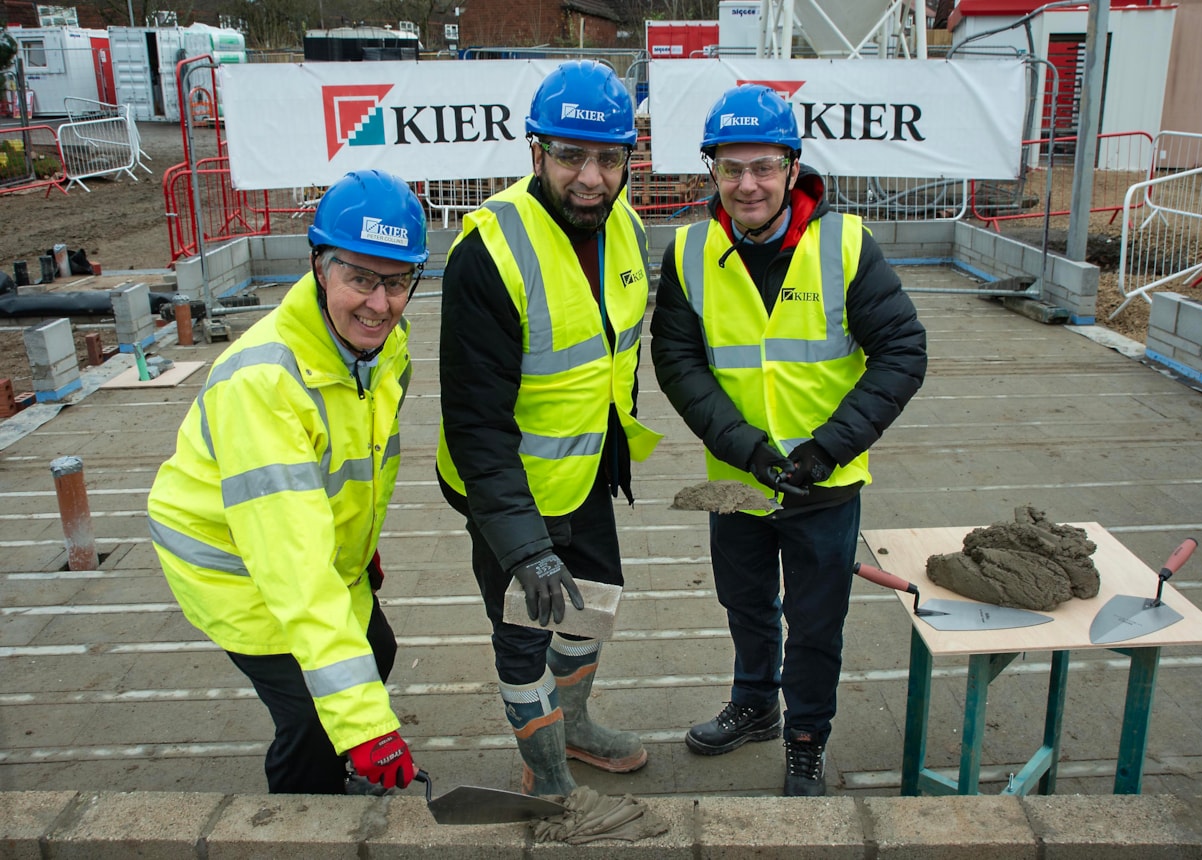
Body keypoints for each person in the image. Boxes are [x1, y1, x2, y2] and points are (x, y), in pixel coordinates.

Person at [649, 84, 927, 796]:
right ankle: (755, 705)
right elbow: (678, 362)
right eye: (731, 168)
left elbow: (902, 351)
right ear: (710, 169)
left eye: (764, 167)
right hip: (738, 478)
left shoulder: (846, 246)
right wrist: (744, 446)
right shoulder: (687, 252)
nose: (748, 185)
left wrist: (828, 447)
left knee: (813, 623)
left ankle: (806, 736)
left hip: (823, 484)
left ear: (793, 167)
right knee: (744, 603)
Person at [147, 170, 429, 795]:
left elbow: (352, 455)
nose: (379, 304)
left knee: (375, 649)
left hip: (311, 546)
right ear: (318, 267)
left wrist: (358, 542)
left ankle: (338, 769)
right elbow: (294, 572)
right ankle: (302, 816)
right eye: (359, 277)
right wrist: (367, 731)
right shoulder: (263, 385)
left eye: (397, 282)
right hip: (235, 565)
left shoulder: (381, 345)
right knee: (311, 715)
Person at [436, 60, 662, 796]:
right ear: (536, 153)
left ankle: (576, 724)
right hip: (508, 491)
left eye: (608, 158)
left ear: (630, 159)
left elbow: (613, 355)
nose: (591, 177)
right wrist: (526, 548)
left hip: (586, 471)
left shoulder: (624, 226)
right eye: (570, 156)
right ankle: (549, 775)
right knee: (524, 635)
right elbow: (475, 426)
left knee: (594, 609)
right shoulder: (488, 254)